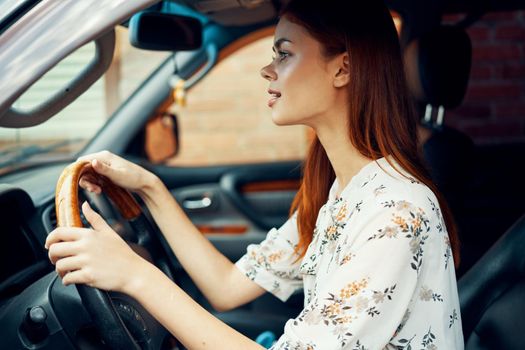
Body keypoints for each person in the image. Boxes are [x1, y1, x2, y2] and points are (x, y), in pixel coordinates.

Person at [45, 0, 465, 348]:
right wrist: (150, 188)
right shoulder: (341, 191)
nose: (267, 71)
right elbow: (226, 287)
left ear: (343, 69)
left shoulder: (395, 211)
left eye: (284, 53)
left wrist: (134, 274)